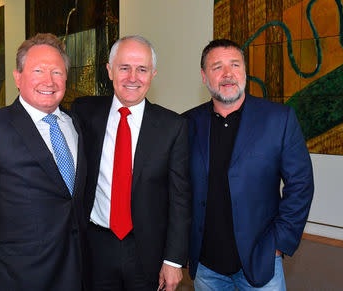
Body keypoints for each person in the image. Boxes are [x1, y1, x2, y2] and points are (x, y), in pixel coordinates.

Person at [0, 33, 87, 290]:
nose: (49, 81)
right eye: (38, 70)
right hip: (17, 279)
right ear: (17, 77)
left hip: (75, 273)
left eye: (57, 72)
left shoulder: (75, 124)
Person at [183, 39, 314, 290]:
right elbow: (179, 190)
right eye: (217, 67)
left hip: (261, 260)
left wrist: (279, 243)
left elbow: (301, 184)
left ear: (245, 70)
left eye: (235, 65)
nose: (228, 74)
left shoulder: (279, 119)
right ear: (204, 76)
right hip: (206, 267)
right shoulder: (187, 123)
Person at [71, 35, 191, 291]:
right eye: (124, 67)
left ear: (153, 74)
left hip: (148, 252)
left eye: (142, 69)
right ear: (110, 70)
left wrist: (174, 259)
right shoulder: (84, 112)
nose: (132, 77)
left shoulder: (173, 127)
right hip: (95, 246)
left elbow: (180, 198)